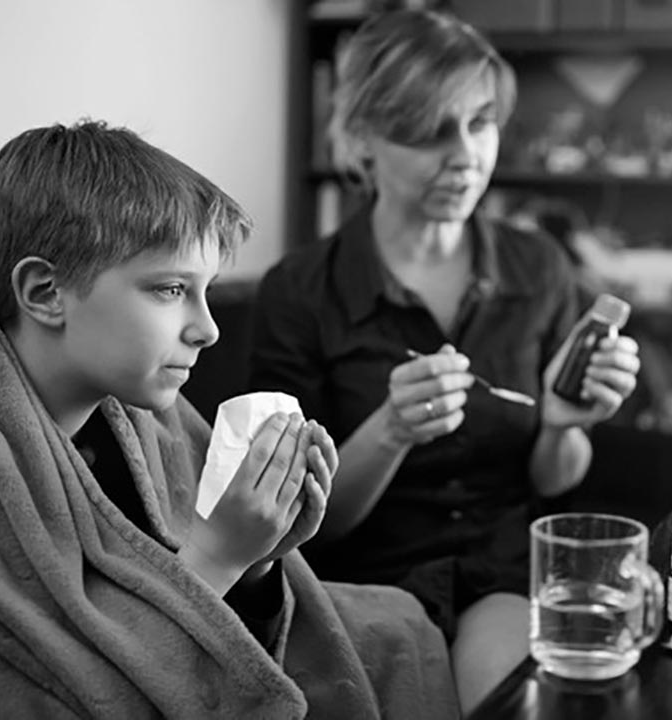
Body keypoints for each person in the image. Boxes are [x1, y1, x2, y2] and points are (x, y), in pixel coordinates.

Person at [0, 120, 458, 719]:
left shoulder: (142, 406)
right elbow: (30, 692)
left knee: (401, 627)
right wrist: (219, 553)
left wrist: (261, 558)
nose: (207, 329)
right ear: (45, 291)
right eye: (170, 289)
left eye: (206, 290)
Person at [249, 9, 641, 713]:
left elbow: (554, 482)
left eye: (480, 121)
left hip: (501, 576)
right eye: (430, 131)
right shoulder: (300, 291)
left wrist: (562, 424)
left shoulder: (539, 267)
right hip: (364, 586)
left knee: (520, 703)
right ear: (362, 141)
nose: (465, 155)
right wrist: (390, 430)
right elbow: (292, 523)